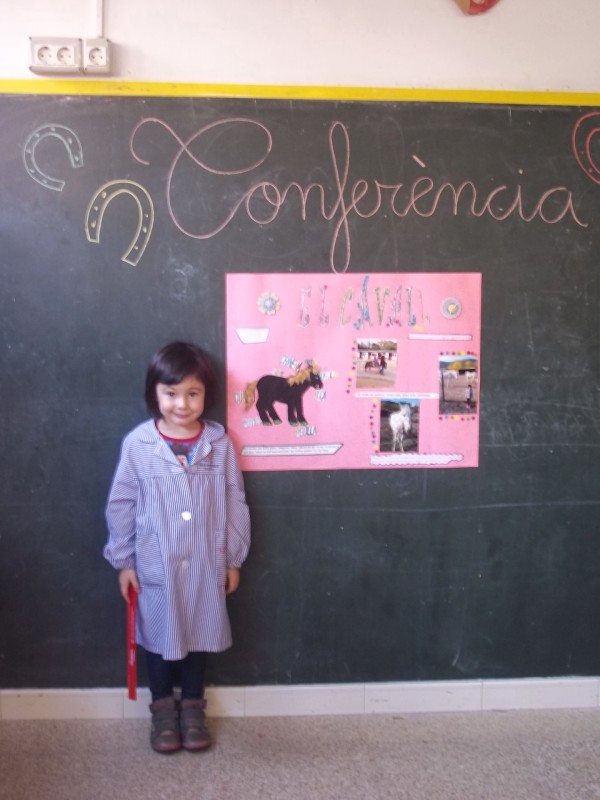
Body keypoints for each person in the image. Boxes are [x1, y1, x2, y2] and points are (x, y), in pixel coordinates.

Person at [104, 341, 251, 754]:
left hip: (207, 561)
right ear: (155, 392)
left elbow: (235, 500)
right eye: (171, 393)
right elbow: (121, 503)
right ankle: (163, 710)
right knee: (160, 636)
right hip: (157, 564)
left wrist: (233, 558)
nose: (182, 404)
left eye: (192, 393)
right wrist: (125, 560)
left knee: (199, 634)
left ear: (206, 394)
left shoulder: (218, 443)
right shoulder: (139, 444)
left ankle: (192, 708)